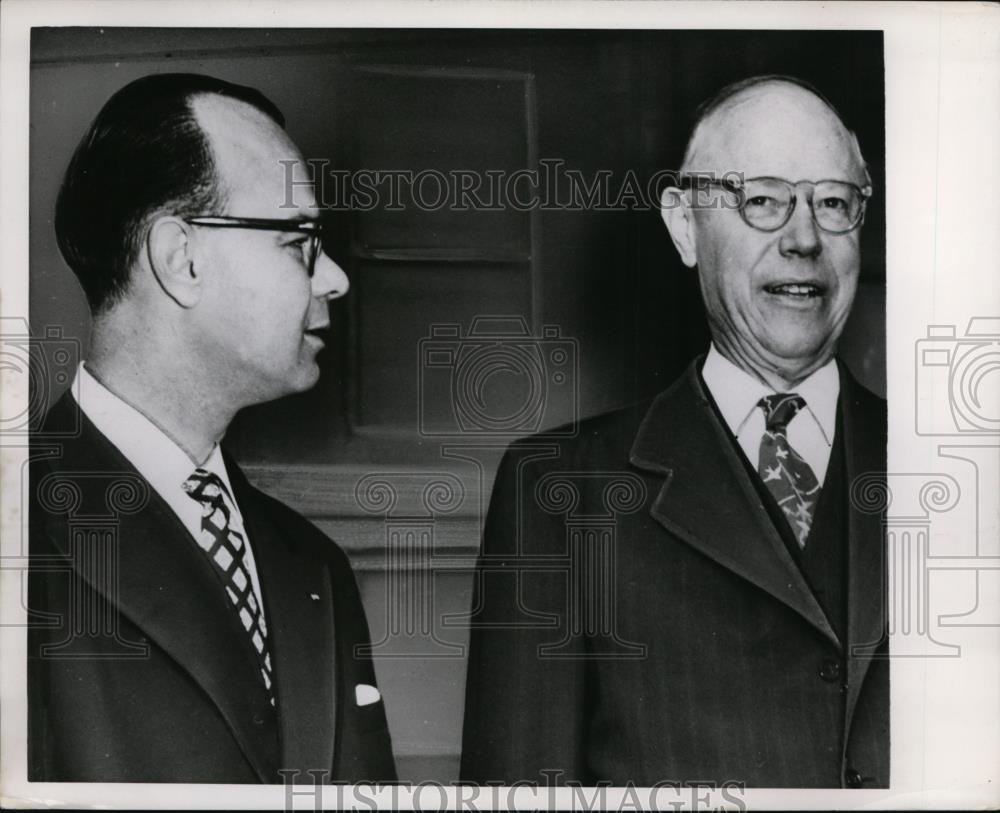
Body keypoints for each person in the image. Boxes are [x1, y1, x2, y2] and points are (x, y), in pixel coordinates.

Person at [460, 75, 888, 789]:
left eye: (834, 203)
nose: (805, 238)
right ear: (684, 225)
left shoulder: (952, 463)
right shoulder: (560, 490)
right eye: (762, 200)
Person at [28, 73, 396, 783]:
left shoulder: (313, 564)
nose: (337, 279)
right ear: (181, 260)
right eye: (299, 241)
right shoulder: (22, 533)